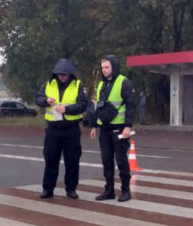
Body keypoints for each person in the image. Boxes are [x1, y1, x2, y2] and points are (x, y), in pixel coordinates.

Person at [34, 58, 88, 199]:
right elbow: (37, 99)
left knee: (72, 160)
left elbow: (83, 104)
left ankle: (71, 189)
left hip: (71, 129)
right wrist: (45, 101)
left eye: (64, 74)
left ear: (70, 74)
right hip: (53, 129)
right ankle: (48, 188)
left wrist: (67, 109)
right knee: (51, 159)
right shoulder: (48, 84)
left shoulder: (78, 85)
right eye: (59, 74)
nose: (61, 77)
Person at [90, 54, 136, 202]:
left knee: (121, 160)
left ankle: (125, 191)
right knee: (106, 160)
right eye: (102, 67)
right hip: (104, 129)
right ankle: (109, 190)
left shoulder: (124, 82)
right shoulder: (102, 85)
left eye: (107, 67)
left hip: (119, 128)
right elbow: (99, 108)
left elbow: (131, 105)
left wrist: (128, 126)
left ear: (114, 67)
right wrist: (95, 126)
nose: (104, 70)